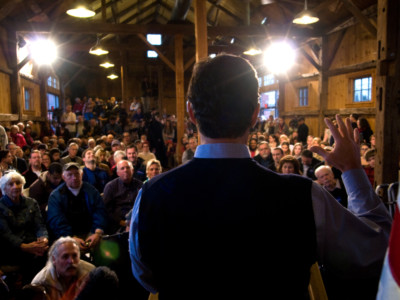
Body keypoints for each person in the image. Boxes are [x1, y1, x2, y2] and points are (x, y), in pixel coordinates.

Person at [129, 54, 391, 300]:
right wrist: (353, 171)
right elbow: (377, 252)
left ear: (191, 113)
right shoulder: (303, 195)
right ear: (255, 114)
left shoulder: (151, 194)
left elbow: (148, 278)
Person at [0, 171, 49, 287]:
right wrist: (25, 247)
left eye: (18, 183)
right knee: (32, 259)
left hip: (32, 243)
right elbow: (6, 234)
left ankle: (40, 287)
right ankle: (28, 289)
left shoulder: (31, 203)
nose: (15, 187)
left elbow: (40, 225)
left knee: (50, 251)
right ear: (4, 188)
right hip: (11, 247)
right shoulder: (1, 206)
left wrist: (43, 239)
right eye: (10, 184)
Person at [47, 162, 107, 251]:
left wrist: (97, 232)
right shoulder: (56, 196)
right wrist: (71, 237)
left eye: (77, 174)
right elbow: (56, 220)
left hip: (91, 232)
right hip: (67, 235)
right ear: (63, 177)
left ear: (81, 174)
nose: (74, 178)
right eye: (70, 175)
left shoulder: (91, 191)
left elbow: (100, 211)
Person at [103, 160, 143, 234]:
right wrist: (121, 222)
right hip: (117, 223)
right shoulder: (111, 187)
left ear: (132, 170)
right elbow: (107, 209)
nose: (125, 170)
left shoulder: (140, 185)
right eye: (122, 168)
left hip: (137, 221)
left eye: (128, 167)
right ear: (117, 173)